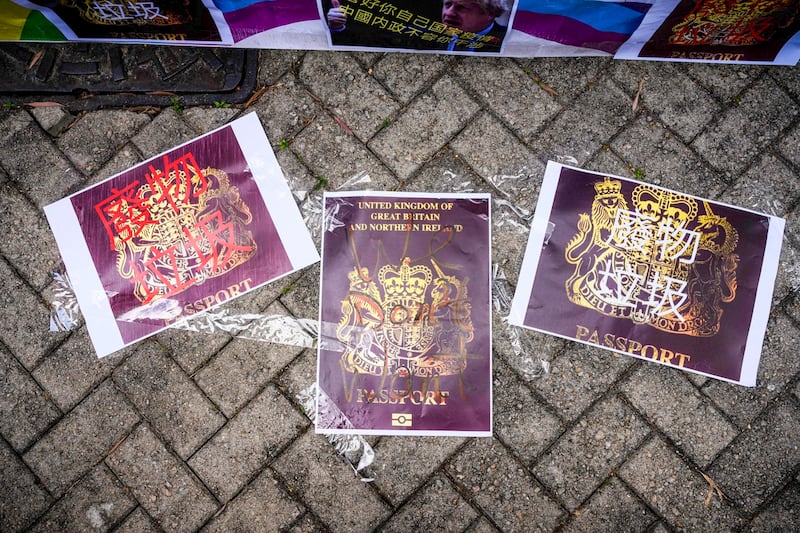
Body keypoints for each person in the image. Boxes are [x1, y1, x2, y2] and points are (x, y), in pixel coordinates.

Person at [325, 0, 509, 53]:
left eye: (462, 8)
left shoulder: (507, 41)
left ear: (491, 12)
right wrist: (336, 27)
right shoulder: (422, 31)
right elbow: (371, 39)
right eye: (447, 5)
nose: (450, 13)